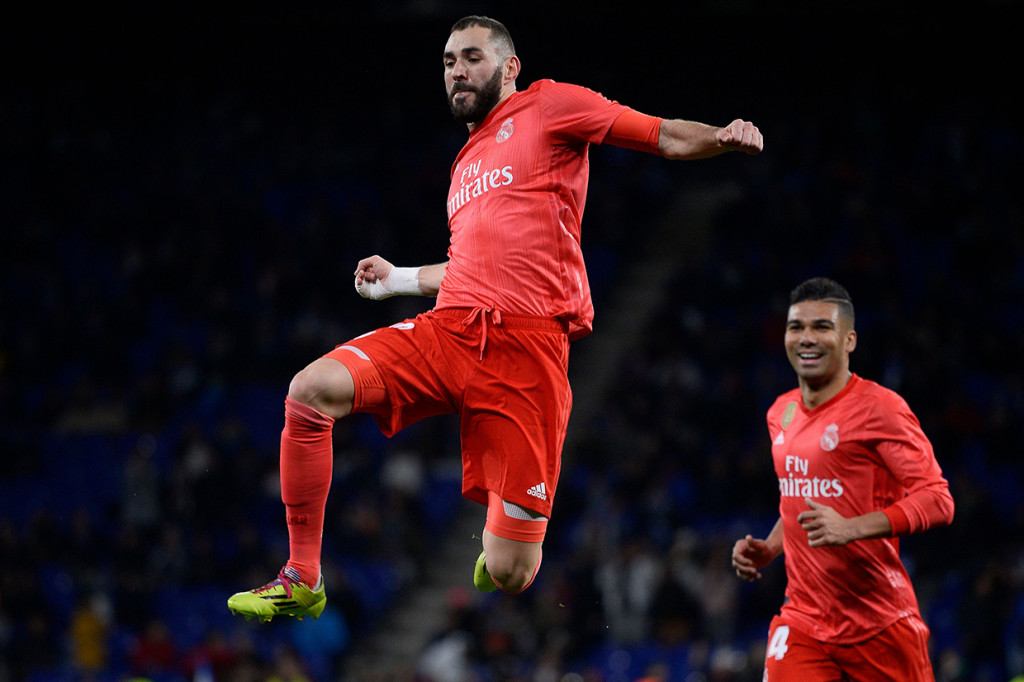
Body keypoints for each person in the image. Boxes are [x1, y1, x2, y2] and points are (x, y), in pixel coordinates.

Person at [228, 14, 763, 622]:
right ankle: (302, 577)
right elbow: (468, 266)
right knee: (309, 391)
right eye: (449, 61)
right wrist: (400, 279)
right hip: (450, 330)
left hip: (527, 353)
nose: (458, 71)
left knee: (510, 573)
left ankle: (503, 545)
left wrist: (721, 136)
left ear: (509, 67)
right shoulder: (463, 165)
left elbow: (660, 135)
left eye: (473, 58)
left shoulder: (553, 105)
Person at [731, 277, 954, 681]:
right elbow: (800, 498)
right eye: (796, 326)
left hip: (879, 622)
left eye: (821, 327)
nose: (806, 338)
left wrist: (851, 528)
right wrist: (771, 546)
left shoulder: (880, 408)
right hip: (803, 620)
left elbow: (938, 500)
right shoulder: (779, 413)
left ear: (849, 340)